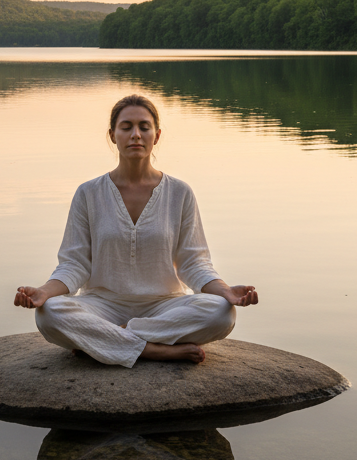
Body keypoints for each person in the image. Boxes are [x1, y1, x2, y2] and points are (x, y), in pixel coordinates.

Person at [13, 94, 258, 367]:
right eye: (126, 127)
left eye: (144, 127)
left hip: (164, 306)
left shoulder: (180, 193)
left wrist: (226, 291)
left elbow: (193, 263)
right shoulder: (88, 193)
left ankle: (105, 342)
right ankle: (153, 350)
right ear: (112, 135)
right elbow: (74, 264)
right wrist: (44, 292)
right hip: (101, 304)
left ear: (157, 134)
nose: (136, 135)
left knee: (223, 313)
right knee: (50, 314)